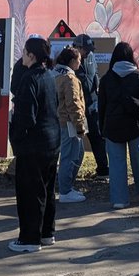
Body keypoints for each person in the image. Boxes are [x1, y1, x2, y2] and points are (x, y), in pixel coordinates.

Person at [8, 36, 61, 253]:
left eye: (24, 53)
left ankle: (30, 239)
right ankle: (46, 233)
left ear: (31, 55)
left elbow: (25, 117)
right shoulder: (48, 75)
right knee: (47, 191)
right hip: (51, 141)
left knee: (30, 193)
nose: (21, 56)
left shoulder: (30, 80)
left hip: (32, 144)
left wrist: (16, 135)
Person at [99, 41, 139, 209]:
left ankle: (119, 199)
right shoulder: (138, 75)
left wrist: (102, 128)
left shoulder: (106, 78)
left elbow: (101, 106)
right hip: (135, 124)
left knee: (117, 165)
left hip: (113, 126)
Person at [72, 34, 110, 179]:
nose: (88, 52)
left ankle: (103, 169)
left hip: (93, 104)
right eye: (85, 49)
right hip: (78, 105)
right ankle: (71, 172)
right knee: (75, 139)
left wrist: (97, 87)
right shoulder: (70, 59)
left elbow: (95, 75)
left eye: (89, 49)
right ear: (77, 48)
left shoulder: (91, 56)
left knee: (97, 137)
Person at [54, 47, 88, 204]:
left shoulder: (54, 74)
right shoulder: (70, 79)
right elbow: (74, 104)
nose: (80, 64)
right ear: (72, 61)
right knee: (71, 155)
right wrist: (80, 125)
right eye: (79, 60)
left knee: (72, 154)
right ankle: (66, 191)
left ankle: (66, 188)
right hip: (69, 123)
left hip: (58, 121)